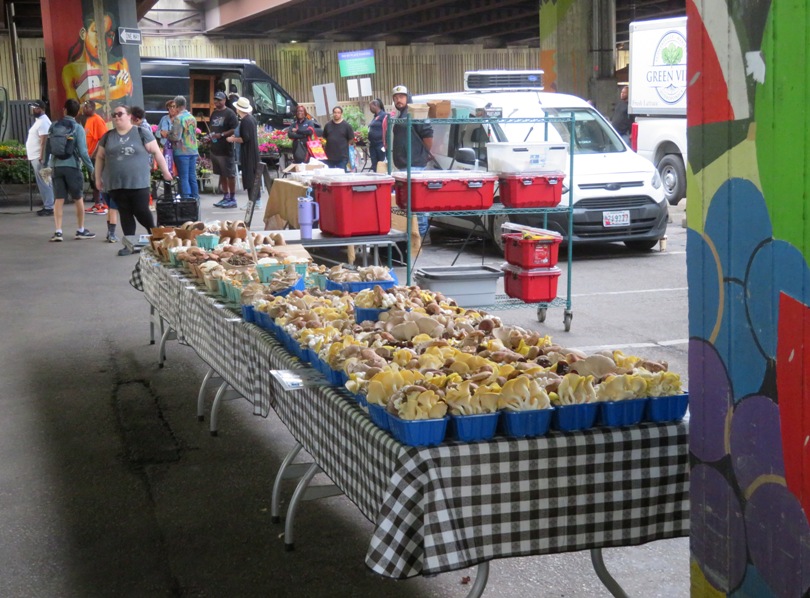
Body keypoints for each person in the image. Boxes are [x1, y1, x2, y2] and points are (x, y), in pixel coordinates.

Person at [95, 105, 173, 256]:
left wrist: (165, 172)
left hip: (138, 182)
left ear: (129, 115)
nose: (117, 117)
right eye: (114, 114)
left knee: (141, 211)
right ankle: (130, 244)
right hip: (116, 183)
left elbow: (156, 152)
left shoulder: (141, 132)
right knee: (125, 213)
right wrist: (98, 178)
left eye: (120, 114)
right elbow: (100, 157)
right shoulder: (108, 136)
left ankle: (156, 237)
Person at [42, 99, 96, 242]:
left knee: (58, 199)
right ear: (77, 112)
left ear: (64, 109)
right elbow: (83, 153)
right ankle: (80, 230)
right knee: (78, 198)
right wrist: (92, 169)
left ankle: (58, 232)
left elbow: (48, 148)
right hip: (72, 166)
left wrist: (46, 166)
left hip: (56, 167)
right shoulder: (78, 128)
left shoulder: (53, 126)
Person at [61, 13, 132, 111]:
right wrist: (116, 91)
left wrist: (90, 97)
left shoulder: (121, 63)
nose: (103, 41)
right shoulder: (71, 70)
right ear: (83, 34)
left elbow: (126, 91)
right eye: (97, 33)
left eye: (109, 35)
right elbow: (74, 111)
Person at [390, 84, 434, 240]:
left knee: (417, 202)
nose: (398, 100)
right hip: (403, 165)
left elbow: (427, 134)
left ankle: (421, 235)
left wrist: (424, 154)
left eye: (401, 97)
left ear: (408, 97)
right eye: (395, 98)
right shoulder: (401, 114)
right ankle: (415, 234)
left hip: (414, 164)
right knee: (409, 203)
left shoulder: (415, 112)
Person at [226, 97, 260, 207]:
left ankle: (252, 202)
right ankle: (256, 200)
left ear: (238, 109)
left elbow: (245, 138)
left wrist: (233, 139)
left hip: (248, 153)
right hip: (254, 151)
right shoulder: (252, 119)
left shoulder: (245, 121)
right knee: (254, 176)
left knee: (249, 177)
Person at [208, 91, 239, 208]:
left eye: (219, 100)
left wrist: (221, 135)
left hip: (226, 149)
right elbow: (212, 126)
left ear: (224, 100)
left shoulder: (230, 113)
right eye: (215, 99)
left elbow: (235, 128)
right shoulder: (214, 113)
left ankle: (232, 198)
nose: (217, 102)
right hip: (215, 149)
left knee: (230, 174)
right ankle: (225, 196)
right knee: (221, 173)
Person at [25, 100, 54, 217]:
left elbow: (44, 141)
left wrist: (42, 157)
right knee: (45, 182)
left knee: (45, 182)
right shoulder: (40, 121)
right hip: (37, 157)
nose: (33, 110)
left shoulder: (43, 122)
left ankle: (49, 206)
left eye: (35, 108)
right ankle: (49, 204)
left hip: (40, 158)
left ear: (41, 109)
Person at [81, 100, 109, 215]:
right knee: (93, 181)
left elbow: (102, 139)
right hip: (89, 157)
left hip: (96, 157)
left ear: (92, 108)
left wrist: (95, 154)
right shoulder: (89, 120)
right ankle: (97, 204)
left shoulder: (97, 120)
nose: (84, 109)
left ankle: (106, 204)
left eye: (86, 107)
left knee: (99, 180)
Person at [169, 95, 199, 200]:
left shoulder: (178, 118)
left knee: (184, 177)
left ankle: (186, 201)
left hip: (182, 151)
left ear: (177, 106)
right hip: (193, 150)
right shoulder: (192, 117)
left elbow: (176, 137)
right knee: (192, 177)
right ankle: (196, 199)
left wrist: (168, 134)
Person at [322, 106, 354, 171]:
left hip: (342, 157)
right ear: (333, 113)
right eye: (335, 112)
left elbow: (351, 139)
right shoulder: (328, 125)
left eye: (338, 112)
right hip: (329, 157)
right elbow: (324, 138)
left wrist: (345, 146)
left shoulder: (347, 126)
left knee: (341, 176)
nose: (336, 114)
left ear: (341, 114)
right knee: (330, 177)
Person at [367, 98, 386, 172]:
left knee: (381, 165)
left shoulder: (383, 115)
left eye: (370, 107)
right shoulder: (375, 117)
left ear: (375, 105)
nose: (370, 109)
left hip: (380, 144)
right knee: (374, 165)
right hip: (373, 145)